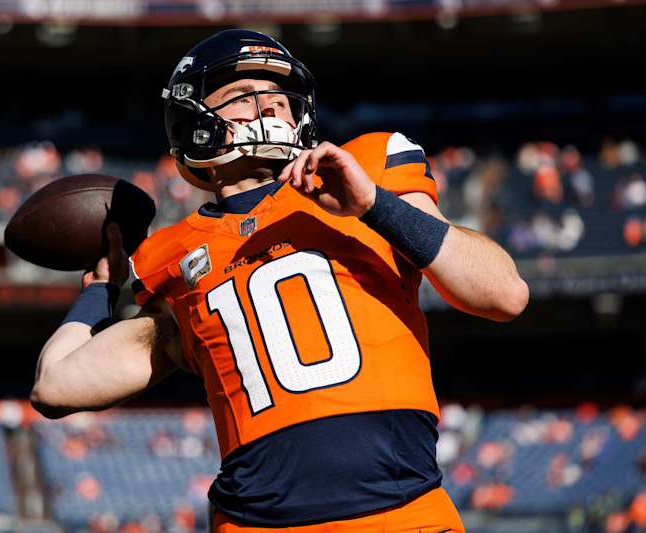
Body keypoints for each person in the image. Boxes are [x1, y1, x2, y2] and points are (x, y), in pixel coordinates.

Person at [31, 29, 529, 532]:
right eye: (242, 97)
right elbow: (56, 385)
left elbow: (504, 294)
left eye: (279, 99)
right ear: (195, 124)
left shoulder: (366, 171)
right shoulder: (176, 257)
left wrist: (377, 205)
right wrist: (101, 287)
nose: (268, 108)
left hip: (406, 514)